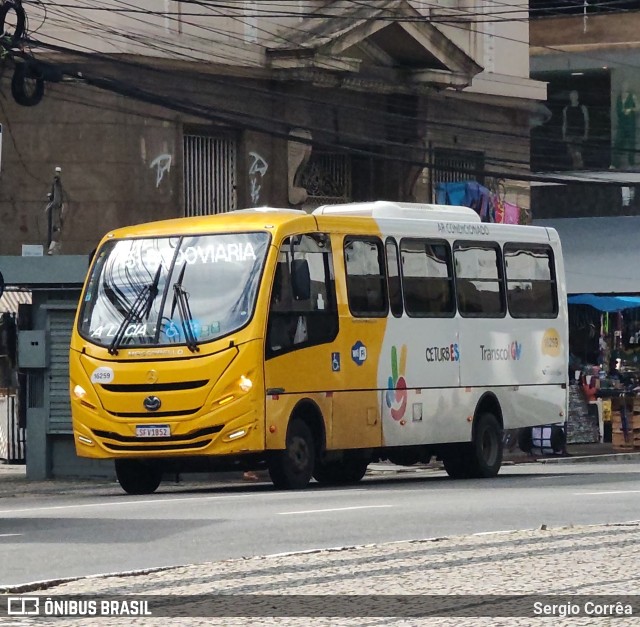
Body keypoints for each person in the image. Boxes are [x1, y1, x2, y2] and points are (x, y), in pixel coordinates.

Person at [612, 81, 638, 169]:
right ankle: (615, 164)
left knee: (631, 144)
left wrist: (630, 109)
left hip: (630, 124)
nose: (624, 87)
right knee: (617, 143)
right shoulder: (619, 98)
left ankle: (631, 164)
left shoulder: (632, 96)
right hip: (621, 124)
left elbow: (638, 107)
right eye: (623, 86)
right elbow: (617, 109)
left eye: (626, 86)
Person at [562, 90, 589, 169]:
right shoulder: (566, 109)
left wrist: (586, 133)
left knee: (578, 153)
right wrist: (563, 135)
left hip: (579, 133)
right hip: (569, 134)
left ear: (577, 97)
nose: (573, 97)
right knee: (572, 154)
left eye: (574, 95)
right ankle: (575, 169)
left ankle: (581, 168)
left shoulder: (582, 108)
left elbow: (586, 121)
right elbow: (565, 122)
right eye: (571, 96)